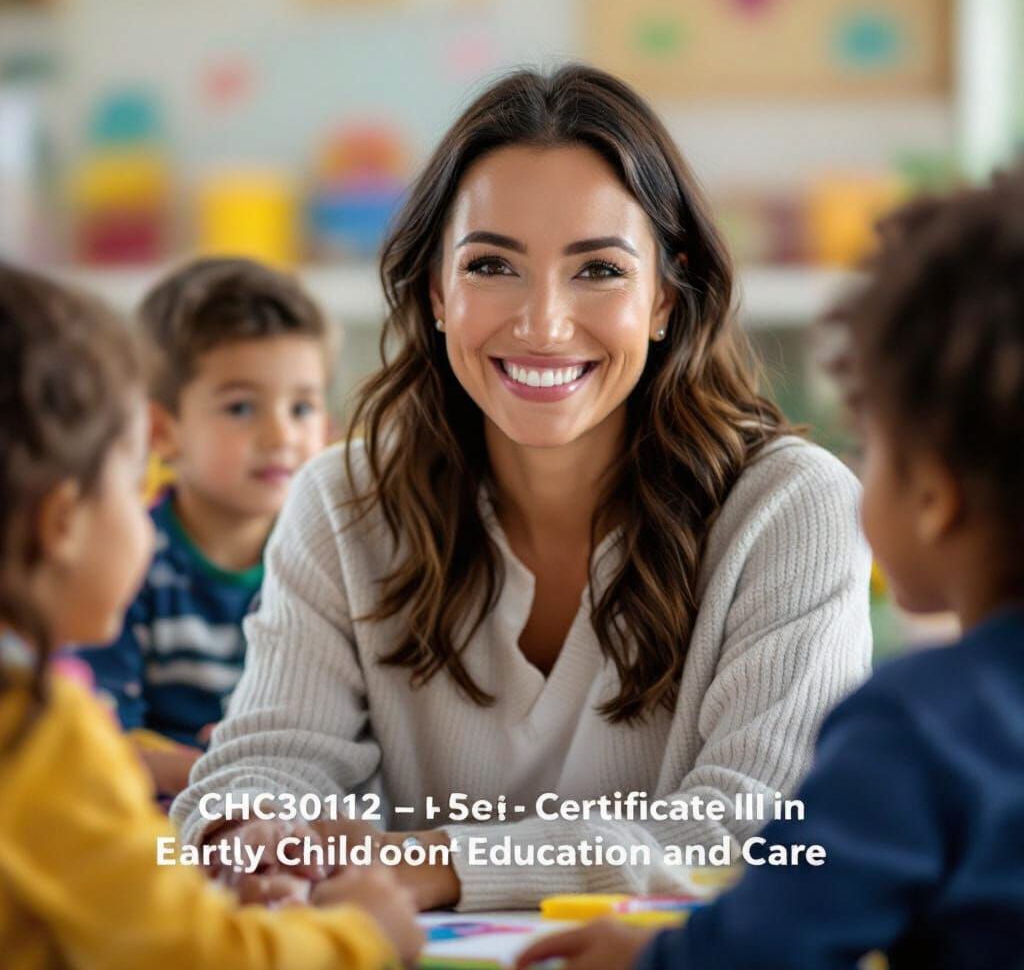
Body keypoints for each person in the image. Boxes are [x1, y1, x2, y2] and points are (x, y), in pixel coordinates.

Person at [173, 64, 872, 912]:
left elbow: (759, 832)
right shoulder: (341, 500)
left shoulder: (791, 511)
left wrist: (438, 862)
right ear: (435, 289)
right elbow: (259, 765)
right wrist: (254, 831)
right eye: (492, 266)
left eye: (600, 271)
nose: (542, 325)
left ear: (665, 295)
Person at [516, 170, 1024, 970]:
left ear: (933, 496)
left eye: (871, 444)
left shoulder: (920, 727)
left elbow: (769, 942)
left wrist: (648, 959)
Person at [0, 262, 423, 968]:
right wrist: (360, 936)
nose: (280, 434)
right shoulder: (39, 736)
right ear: (61, 523)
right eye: (135, 482)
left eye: (302, 406)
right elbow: (191, 955)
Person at [79, 257, 330, 796]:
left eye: (302, 407)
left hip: (288, 807)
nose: (280, 435)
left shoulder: (331, 562)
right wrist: (231, 771)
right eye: (241, 408)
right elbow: (97, 750)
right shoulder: (126, 564)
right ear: (162, 431)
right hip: (170, 814)